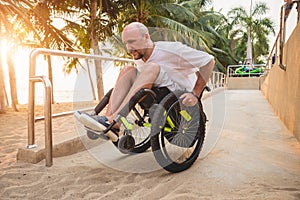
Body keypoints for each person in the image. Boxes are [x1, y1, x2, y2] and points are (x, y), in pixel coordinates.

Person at [75, 22, 214, 140]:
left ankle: (113, 120)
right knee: (127, 70)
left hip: (180, 96)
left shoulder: (172, 50)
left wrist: (195, 94)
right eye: (126, 43)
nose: (129, 48)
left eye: (132, 42)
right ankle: (109, 121)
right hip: (157, 93)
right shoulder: (140, 57)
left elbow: (208, 61)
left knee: (151, 67)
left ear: (146, 37)